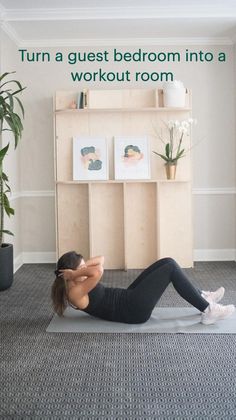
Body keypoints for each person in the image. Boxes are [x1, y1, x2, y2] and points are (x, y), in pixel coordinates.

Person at [51, 251, 235, 325]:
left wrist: (78, 270)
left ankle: (202, 297)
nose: (85, 269)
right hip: (132, 311)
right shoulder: (74, 291)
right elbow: (98, 270)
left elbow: (101, 259)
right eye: (81, 268)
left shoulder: (77, 280)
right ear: (70, 274)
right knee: (170, 269)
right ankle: (208, 309)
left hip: (126, 298)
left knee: (167, 261)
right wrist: (76, 273)